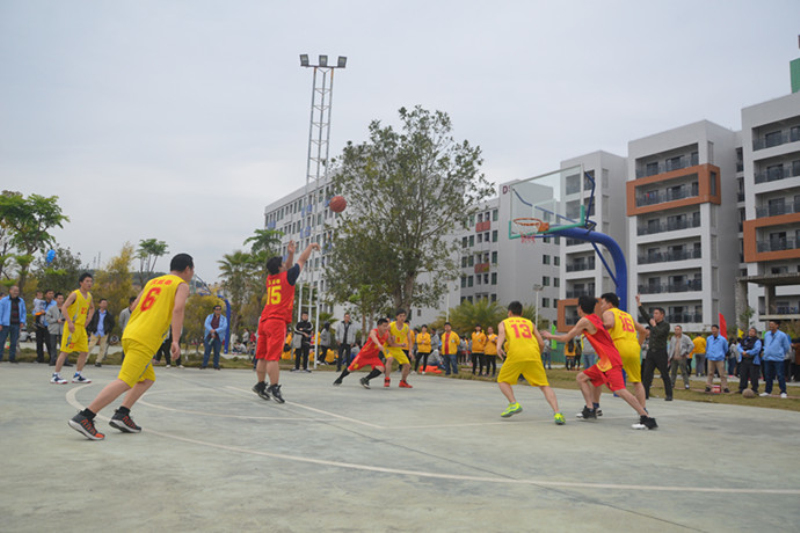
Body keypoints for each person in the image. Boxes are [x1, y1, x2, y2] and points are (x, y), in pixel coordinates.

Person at [68, 254, 194, 440]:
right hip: (145, 338)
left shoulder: (153, 282)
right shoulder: (181, 285)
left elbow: (134, 306)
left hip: (130, 333)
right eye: (192, 270)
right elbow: (178, 309)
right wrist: (175, 340)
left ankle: (122, 414)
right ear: (188, 269)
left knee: (147, 378)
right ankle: (85, 417)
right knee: (125, 381)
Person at [543, 295, 657, 430]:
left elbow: (566, 338)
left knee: (620, 390)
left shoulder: (586, 320)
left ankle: (646, 417)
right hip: (606, 359)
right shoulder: (595, 318)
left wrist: (549, 336)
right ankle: (590, 408)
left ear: (580, 308)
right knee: (581, 377)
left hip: (611, 359)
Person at [252, 241, 319, 404]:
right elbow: (302, 260)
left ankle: (260, 385)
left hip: (264, 320)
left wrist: (290, 254)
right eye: (283, 263)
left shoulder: (270, 278)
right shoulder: (288, 277)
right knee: (273, 358)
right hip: (276, 321)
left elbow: (287, 266)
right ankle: (274, 387)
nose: (285, 265)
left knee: (262, 356)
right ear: (280, 267)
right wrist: (310, 246)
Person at [496, 301, 565, 425]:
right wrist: (538, 355)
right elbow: (541, 343)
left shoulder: (504, 322)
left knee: (502, 381)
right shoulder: (530, 323)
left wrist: (498, 346)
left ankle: (513, 403)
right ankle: (557, 413)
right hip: (533, 354)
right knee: (544, 385)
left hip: (516, 354)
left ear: (509, 312)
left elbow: (501, 333)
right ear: (522, 313)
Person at [592, 292, 649, 415]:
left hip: (617, 348)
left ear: (610, 304)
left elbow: (609, 324)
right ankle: (643, 409)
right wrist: (638, 345)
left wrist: (593, 328)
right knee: (637, 382)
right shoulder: (628, 316)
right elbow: (644, 331)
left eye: (603, 303)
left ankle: (594, 407)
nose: (601, 306)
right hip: (633, 348)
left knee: (596, 377)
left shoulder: (608, 312)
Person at [51, 273, 95, 384]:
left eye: (91, 281)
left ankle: (78, 374)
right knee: (65, 351)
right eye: (87, 281)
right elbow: (64, 307)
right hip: (72, 326)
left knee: (84, 351)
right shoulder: (75, 294)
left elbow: (92, 308)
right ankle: (56, 375)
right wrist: (69, 322)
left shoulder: (89, 296)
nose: (89, 283)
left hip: (81, 327)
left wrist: (88, 319)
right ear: (81, 283)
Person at [333, 318, 390, 388]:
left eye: (387, 326)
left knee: (382, 368)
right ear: (379, 326)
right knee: (350, 369)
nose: (386, 328)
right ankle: (340, 378)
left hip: (373, 357)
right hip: (363, 356)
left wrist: (398, 344)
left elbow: (390, 343)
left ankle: (365, 379)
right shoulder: (374, 331)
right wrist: (378, 344)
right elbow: (373, 337)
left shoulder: (386, 334)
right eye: (384, 326)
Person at [636, 294, 673, 401]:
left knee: (664, 374)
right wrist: (639, 303)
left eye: (656, 313)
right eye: (654, 313)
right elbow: (645, 315)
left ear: (662, 315)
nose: (654, 315)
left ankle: (669, 395)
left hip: (660, 352)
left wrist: (654, 325)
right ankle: (645, 394)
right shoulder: (652, 323)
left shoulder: (665, 325)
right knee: (647, 375)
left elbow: (660, 333)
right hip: (651, 353)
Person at [760, 320, 791, 399]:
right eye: (770, 324)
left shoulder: (782, 335)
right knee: (768, 375)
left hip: (778, 359)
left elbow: (786, 347)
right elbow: (765, 344)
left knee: (780, 375)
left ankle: (783, 391)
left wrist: (780, 353)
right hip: (767, 358)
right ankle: (768, 391)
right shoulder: (767, 334)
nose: (771, 326)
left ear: (777, 325)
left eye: (772, 324)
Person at [384, 309, 413, 388]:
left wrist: (410, 351)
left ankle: (403, 381)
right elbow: (384, 333)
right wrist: (390, 336)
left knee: (407, 365)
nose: (402, 318)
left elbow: (410, 340)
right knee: (390, 359)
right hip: (389, 347)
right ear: (397, 317)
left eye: (404, 316)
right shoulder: (391, 325)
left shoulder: (406, 328)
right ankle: (387, 379)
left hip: (398, 348)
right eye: (400, 316)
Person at [0, 285, 27, 364]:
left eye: (17, 291)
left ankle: (12, 358)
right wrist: (0, 323)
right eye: (14, 290)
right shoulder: (4, 301)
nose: (16, 292)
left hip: (16, 324)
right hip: (5, 324)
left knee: (14, 342)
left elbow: (23, 312)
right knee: (1, 341)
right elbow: (0, 312)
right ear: (10, 291)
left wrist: (22, 321)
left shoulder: (21, 301)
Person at [87, 299, 115, 367]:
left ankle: (98, 361)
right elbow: (90, 321)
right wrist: (91, 329)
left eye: (105, 303)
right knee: (90, 346)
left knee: (102, 347)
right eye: (103, 303)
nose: (104, 304)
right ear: (99, 304)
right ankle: (85, 359)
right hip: (95, 332)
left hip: (104, 333)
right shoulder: (95, 313)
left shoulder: (108, 314)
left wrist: (108, 330)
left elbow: (112, 323)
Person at [704, 325, 729, 393]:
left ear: (718, 330)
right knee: (710, 373)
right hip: (710, 358)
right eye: (712, 329)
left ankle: (725, 387)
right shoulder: (709, 338)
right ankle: (708, 386)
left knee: (722, 374)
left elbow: (726, 348)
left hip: (719, 358)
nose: (713, 331)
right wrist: (709, 353)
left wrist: (721, 354)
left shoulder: (722, 339)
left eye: (715, 329)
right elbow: (707, 347)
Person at [202, 305, 227, 370]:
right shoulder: (209, 316)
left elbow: (224, 327)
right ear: (214, 310)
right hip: (209, 336)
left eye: (219, 309)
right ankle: (204, 365)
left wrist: (215, 330)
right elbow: (206, 324)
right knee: (207, 351)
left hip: (218, 337)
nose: (218, 311)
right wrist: (211, 330)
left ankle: (216, 365)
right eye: (217, 309)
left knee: (217, 352)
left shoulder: (224, 318)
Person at [668, 325, 694, 390]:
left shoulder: (685, 337)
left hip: (682, 357)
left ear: (681, 330)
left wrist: (687, 352)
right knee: (673, 372)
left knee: (684, 372)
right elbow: (670, 347)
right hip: (674, 357)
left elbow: (691, 345)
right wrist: (669, 356)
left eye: (678, 329)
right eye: (675, 329)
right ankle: (672, 384)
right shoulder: (673, 338)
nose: (676, 331)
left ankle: (686, 384)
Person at [33, 289, 55, 364]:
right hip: (40, 325)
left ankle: (52, 358)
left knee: (49, 342)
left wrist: (45, 313)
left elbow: (55, 313)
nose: (51, 295)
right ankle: (40, 358)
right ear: (45, 295)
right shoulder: (41, 303)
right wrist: (38, 313)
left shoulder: (54, 303)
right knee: (39, 342)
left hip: (49, 325)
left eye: (52, 293)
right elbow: (34, 311)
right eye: (49, 293)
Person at [738, 328, 761, 394]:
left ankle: (754, 389)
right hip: (744, 360)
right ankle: (742, 388)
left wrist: (748, 352)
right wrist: (742, 352)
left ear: (755, 333)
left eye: (753, 331)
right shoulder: (744, 340)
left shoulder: (757, 341)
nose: (751, 332)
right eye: (750, 331)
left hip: (753, 360)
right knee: (743, 375)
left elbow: (757, 349)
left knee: (753, 376)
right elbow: (739, 347)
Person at [45, 293, 66, 365]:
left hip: (63, 329)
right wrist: (56, 320)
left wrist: (64, 320)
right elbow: (47, 318)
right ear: (56, 299)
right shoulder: (51, 308)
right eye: (59, 298)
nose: (61, 300)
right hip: (53, 329)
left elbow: (71, 317)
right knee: (53, 345)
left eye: (62, 298)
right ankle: (53, 360)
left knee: (63, 346)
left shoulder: (66, 308)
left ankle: (65, 360)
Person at [118, 296, 136, 364]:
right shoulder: (124, 312)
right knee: (125, 348)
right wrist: (124, 329)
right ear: (131, 302)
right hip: (126, 332)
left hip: (135, 332)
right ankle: (124, 361)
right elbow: (121, 322)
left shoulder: (138, 311)